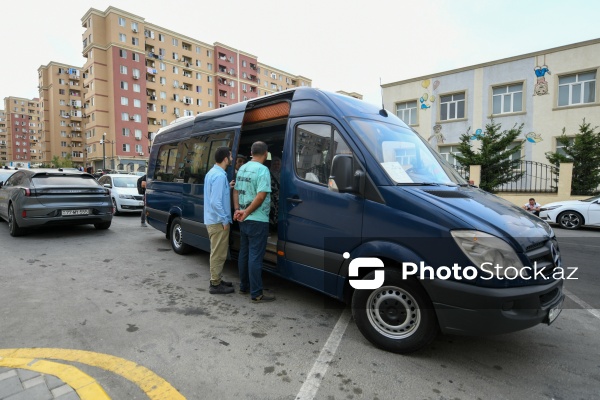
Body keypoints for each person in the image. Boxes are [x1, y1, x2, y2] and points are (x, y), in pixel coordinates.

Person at [233, 141, 274, 302]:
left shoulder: (242, 168)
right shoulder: (263, 170)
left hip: (243, 219)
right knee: (255, 257)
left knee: (244, 253)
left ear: (251, 152)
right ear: (265, 154)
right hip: (257, 219)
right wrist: (247, 212)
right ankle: (256, 293)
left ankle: (244, 287)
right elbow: (261, 196)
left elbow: (236, 190)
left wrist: (238, 210)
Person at [204, 147, 235, 295]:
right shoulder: (220, 176)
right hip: (218, 222)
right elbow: (215, 202)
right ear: (225, 159)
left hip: (212, 220)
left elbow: (214, 195)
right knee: (218, 254)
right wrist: (224, 220)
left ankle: (216, 279)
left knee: (217, 252)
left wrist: (227, 188)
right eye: (230, 156)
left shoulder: (213, 173)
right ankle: (215, 284)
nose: (232, 158)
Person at [269, 156, 281, 229]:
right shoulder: (268, 173)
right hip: (271, 197)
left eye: (278, 164)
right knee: (271, 212)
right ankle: (271, 227)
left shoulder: (283, 173)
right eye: (274, 164)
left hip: (280, 196)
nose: (276, 166)